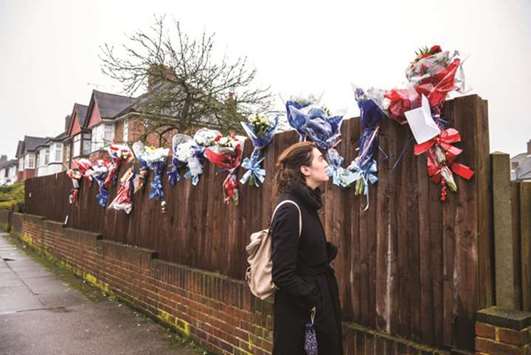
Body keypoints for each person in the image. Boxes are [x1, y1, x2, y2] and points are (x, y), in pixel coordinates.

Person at [271, 141, 343, 355]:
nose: (326, 163)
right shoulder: (290, 209)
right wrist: (314, 299)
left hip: (317, 304)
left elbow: (304, 251)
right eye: (320, 158)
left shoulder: (307, 204)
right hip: (301, 315)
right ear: (305, 169)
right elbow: (282, 273)